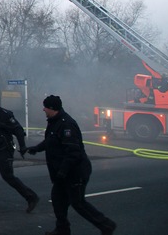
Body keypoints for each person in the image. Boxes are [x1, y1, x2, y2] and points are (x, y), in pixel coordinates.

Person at [27, 95, 116, 235]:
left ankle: (106, 225)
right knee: (57, 200)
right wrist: (36, 148)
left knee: (78, 203)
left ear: (52, 108)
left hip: (75, 171)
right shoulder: (54, 122)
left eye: (45, 107)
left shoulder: (66, 124)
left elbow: (73, 152)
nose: (43, 109)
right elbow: (51, 141)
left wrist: (62, 172)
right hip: (62, 173)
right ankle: (62, 229)